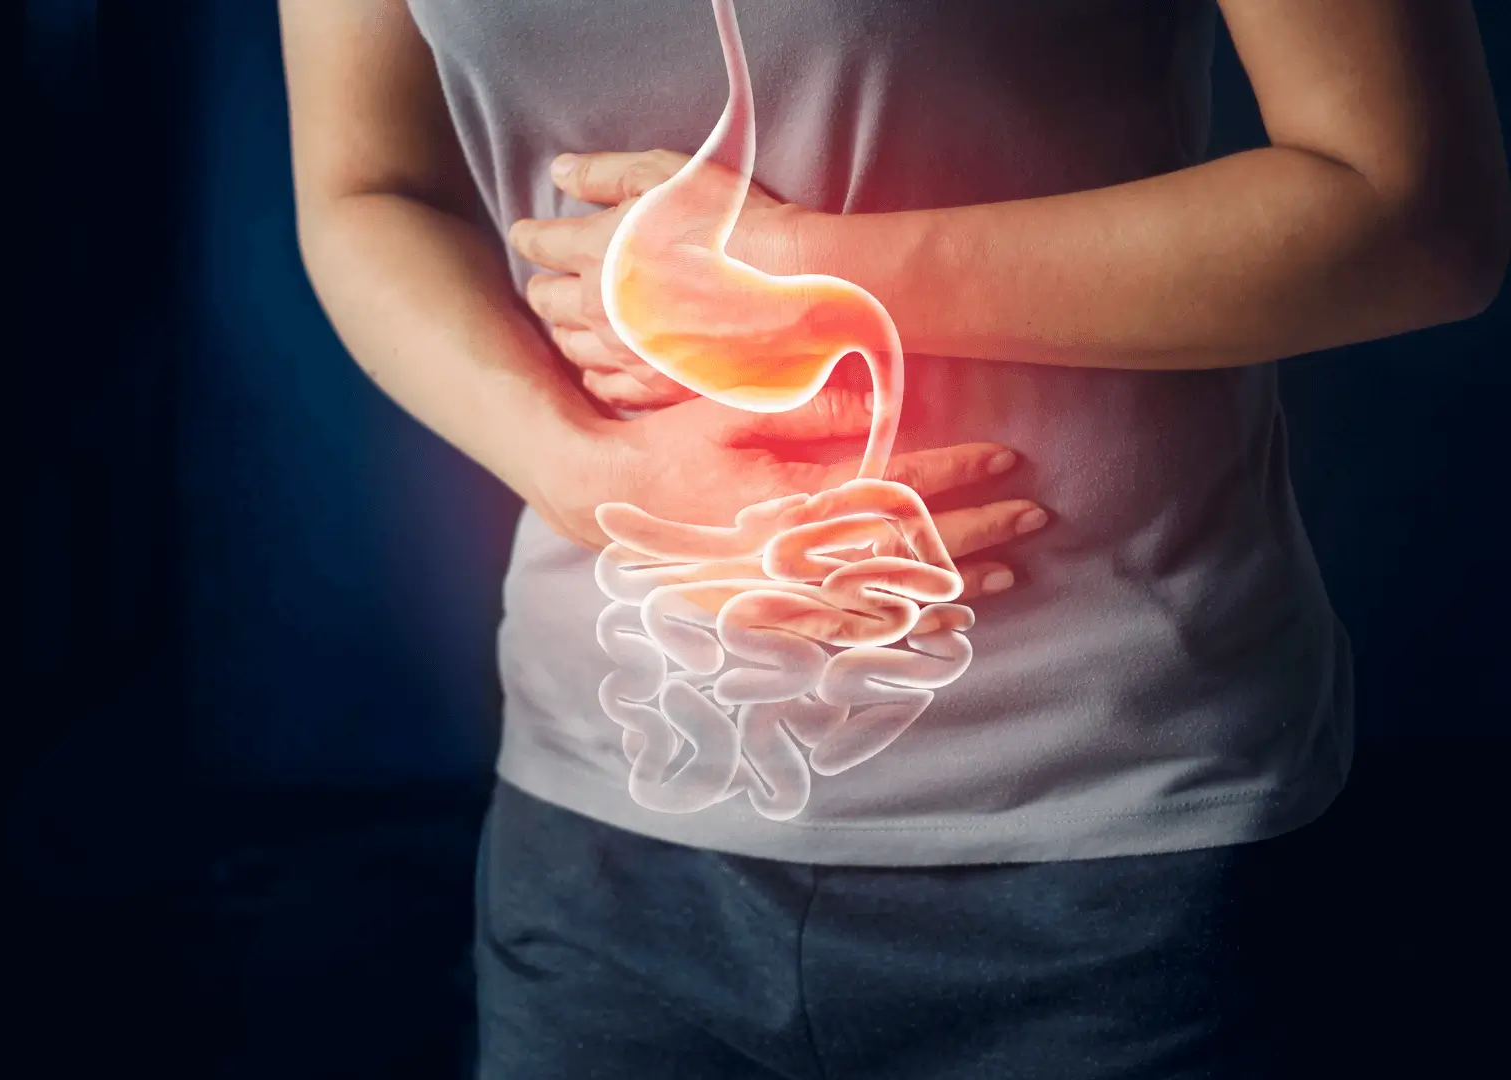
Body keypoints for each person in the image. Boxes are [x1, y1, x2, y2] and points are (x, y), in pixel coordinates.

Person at [279, 1, 1510, 1076]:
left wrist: (803, 272)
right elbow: (368, 187)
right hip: (605, 829)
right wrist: (593, 476)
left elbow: (1411, 209)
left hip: (1119, 841)